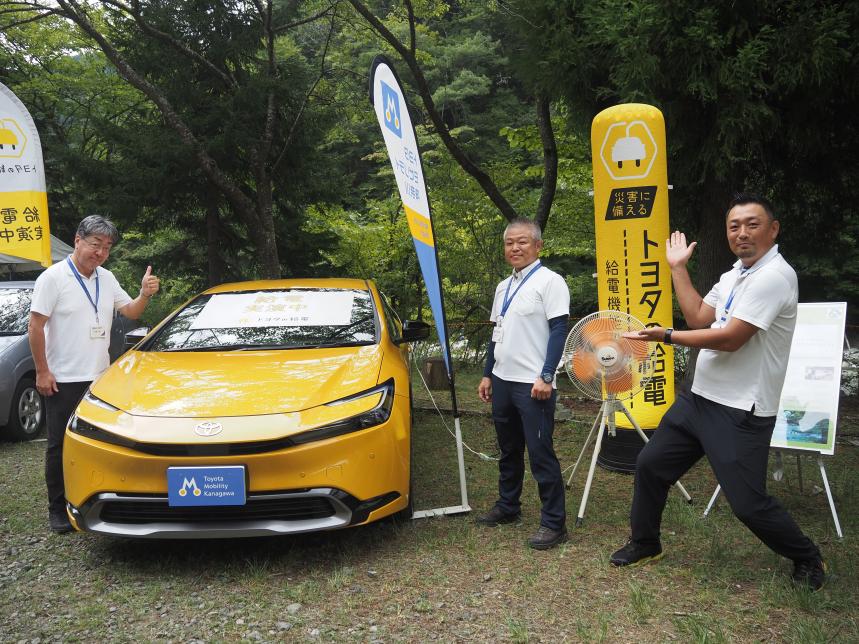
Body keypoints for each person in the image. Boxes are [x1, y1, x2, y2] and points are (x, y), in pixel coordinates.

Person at [611, 193, 826, 590]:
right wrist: (677, 268)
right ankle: (645, 543)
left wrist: (667, 336)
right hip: (699, 399)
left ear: (773, 229)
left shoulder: (775, 277)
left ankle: (807, 557)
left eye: (752, 224)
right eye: (734, 226)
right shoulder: (735, 275)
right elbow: (699, 316)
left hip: (740, 409)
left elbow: (729, 339)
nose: (742, 233)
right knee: (651, 465)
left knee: (746, 504)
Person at [28, 215, 160, 534]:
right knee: (60, 445)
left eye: (106, 247)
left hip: (100, 378)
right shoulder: (53, 277)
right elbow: (36, 326)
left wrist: (144, 294)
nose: (99, 252)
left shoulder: (106, 277)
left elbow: (129, 312)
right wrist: (42, 371)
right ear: (77, 241)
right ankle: (57, 510)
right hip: (62, 378)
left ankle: (94, 499)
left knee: (99, 444)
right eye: (94, 244)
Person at [477, 217, 570, 550]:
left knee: (541, 451)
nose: (514, 248)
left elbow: (560, 331)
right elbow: (496, 332)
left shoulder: (551, 281)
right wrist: (488, 372)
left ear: (538, 245)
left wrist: (547, 374)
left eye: (522, 242)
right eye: (508, 243)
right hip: (503, 379)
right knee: (509, 449)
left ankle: (553, 522)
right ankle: (508, 505)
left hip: (533, 384)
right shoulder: (504, 286)